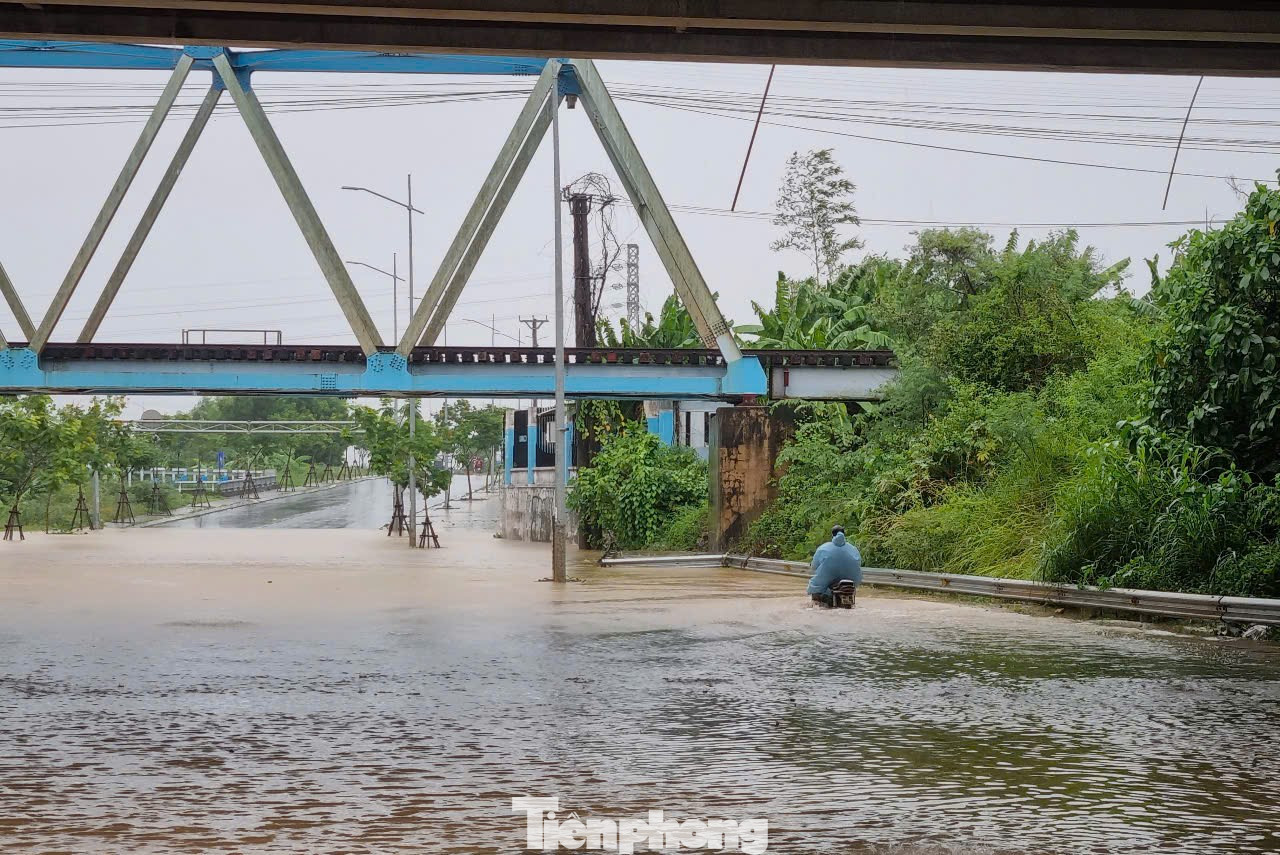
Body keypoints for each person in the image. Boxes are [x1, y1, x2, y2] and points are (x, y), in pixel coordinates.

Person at [807, 525, 862, 606]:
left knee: (815, 588)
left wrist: (814, 566)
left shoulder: (823, 548)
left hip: (828, 578)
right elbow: (858, 563)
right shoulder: (853, 549)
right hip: (851, 580)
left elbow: (814, 565)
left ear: (832, 535)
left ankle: (816, 602)